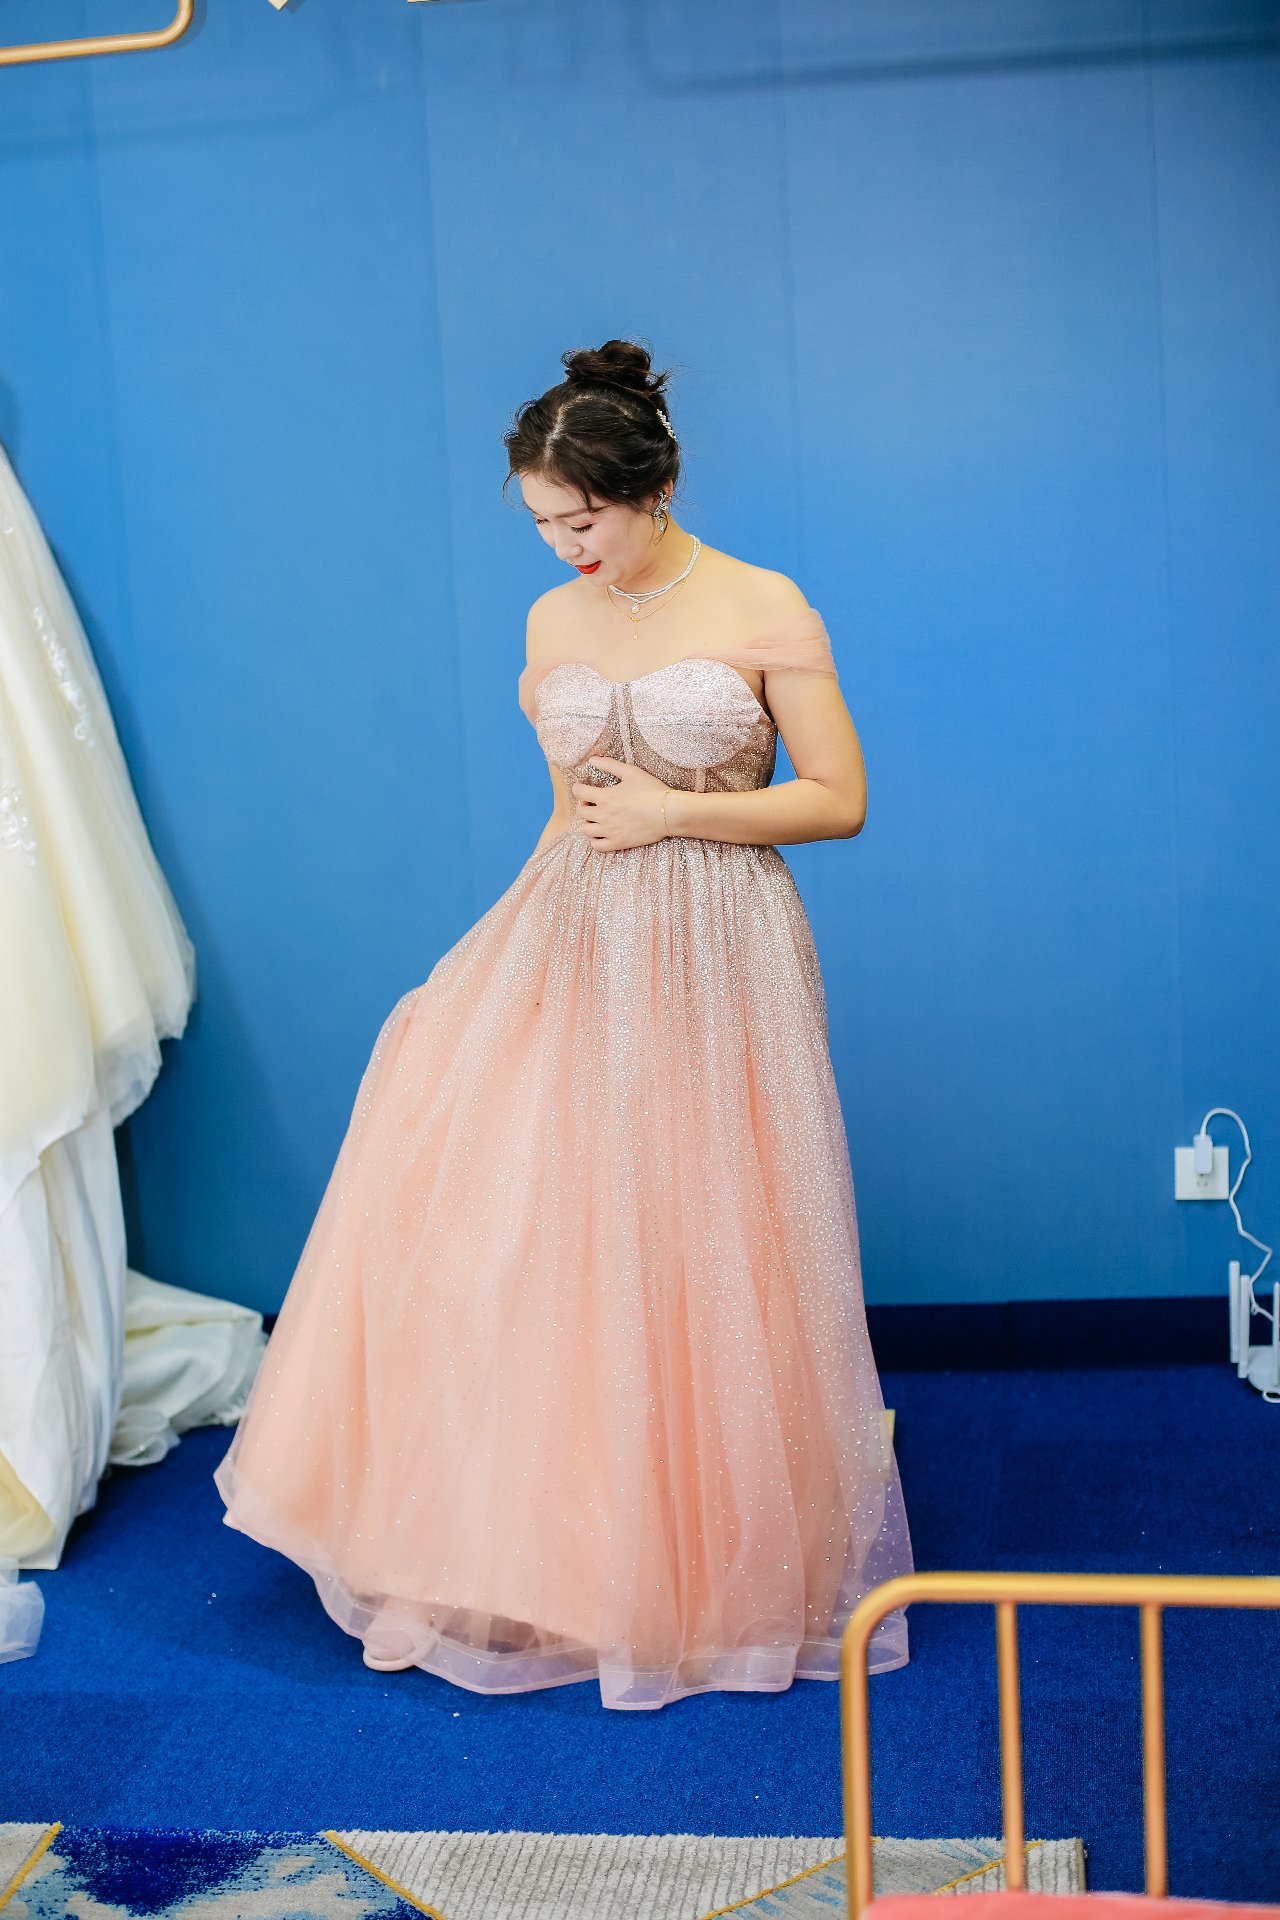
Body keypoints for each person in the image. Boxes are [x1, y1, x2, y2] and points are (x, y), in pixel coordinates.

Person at [214, 337, 913, 1710]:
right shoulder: (552, 622)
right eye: (542, 523)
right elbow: (566, 814)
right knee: (545, 1223)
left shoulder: (764, 603)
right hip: (580, 925)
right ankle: (564, 1554)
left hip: (721, 944)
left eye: (581, 518)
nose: (563, 547)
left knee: (704, 1227)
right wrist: (488, 951)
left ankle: (711, 1563)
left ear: (653, 489)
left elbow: (839, 798)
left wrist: (675, 813)